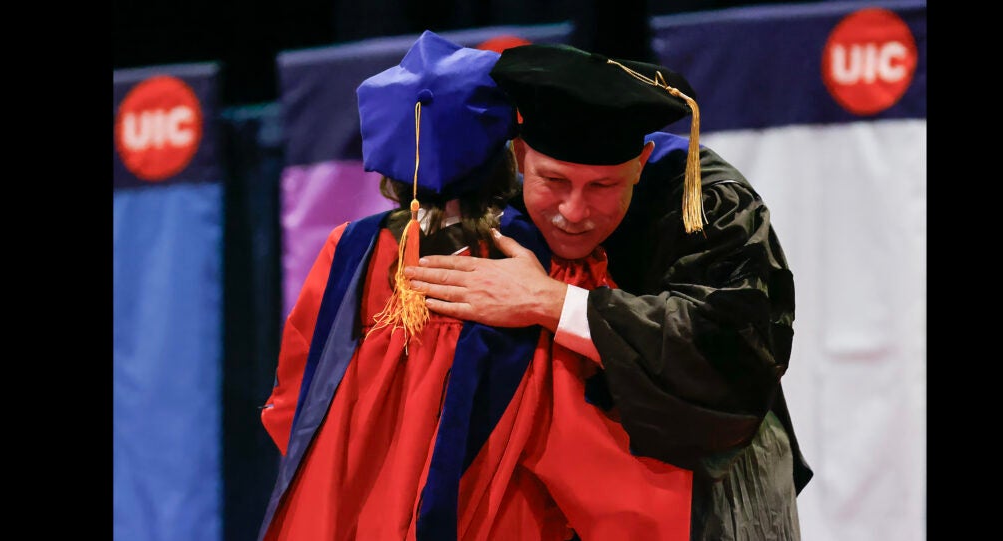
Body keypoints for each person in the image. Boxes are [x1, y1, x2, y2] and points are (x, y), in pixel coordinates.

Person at [256, 31, 702, 541]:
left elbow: (293, 406)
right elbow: (580, 446)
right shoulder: (530, 264)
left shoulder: (350, 252)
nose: (574, 211)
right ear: (509, 154)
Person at [405, 42, 813, 539]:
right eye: (553, 180)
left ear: (640, 162)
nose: (574, 212)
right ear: (519, 155)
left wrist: (549, 302)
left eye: (602, 187)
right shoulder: (484, 191)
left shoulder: (706, 200)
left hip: (708, 479)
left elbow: (736, 348)